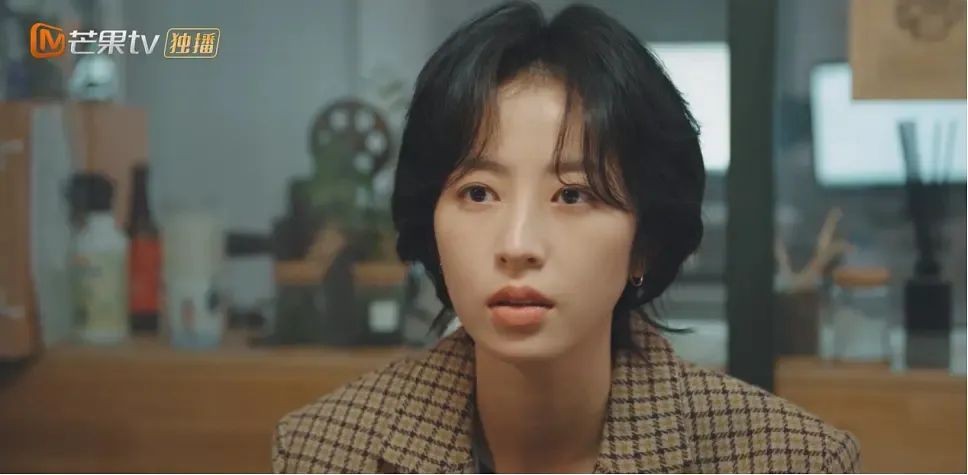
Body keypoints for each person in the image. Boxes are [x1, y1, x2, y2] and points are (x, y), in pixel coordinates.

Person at [272, 1, 860, 472]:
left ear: (645, 241)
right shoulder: (324, 453)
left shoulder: (790, 461)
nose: (518, 245)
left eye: (573, 195)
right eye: (478, 193)